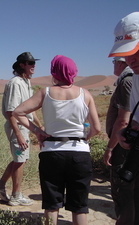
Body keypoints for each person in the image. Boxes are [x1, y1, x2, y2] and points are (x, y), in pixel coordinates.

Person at [13, 55, 101, 225]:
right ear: (73, 72)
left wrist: (37, 131)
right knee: (79, 206)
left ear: (54, 71)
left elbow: (18, 112)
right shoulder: (85, 94)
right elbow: (97, 128)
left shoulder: (45, 93)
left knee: (52, 204)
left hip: (52, 153)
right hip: (79, 154)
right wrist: (84, 138)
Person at [0, 52, 42, 206]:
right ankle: (16, 195)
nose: (33, 66)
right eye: (30, 63)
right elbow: (11, 111)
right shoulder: (15, 83)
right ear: (22, 65)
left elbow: (30, 108)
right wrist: (18, 134)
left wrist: (39, 126)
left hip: (24, 127)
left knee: (20, 159)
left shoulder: (26, 82)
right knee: (20, 160)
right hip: (17, 127)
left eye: (34, 63)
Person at [108, 12, 139, 225]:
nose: (130, 59)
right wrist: (125, 133)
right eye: (126, 54)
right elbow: (134, 120)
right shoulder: (136, 78)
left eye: (136, 50)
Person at [103, 56, 134, 225]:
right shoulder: (131, 79)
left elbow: (123, 120)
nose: (113, 65)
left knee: (123, 191)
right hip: (128, 144)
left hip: (123, 147)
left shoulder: (126, 81)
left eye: (114, 62)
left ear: (121, 62)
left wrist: (109, 148)